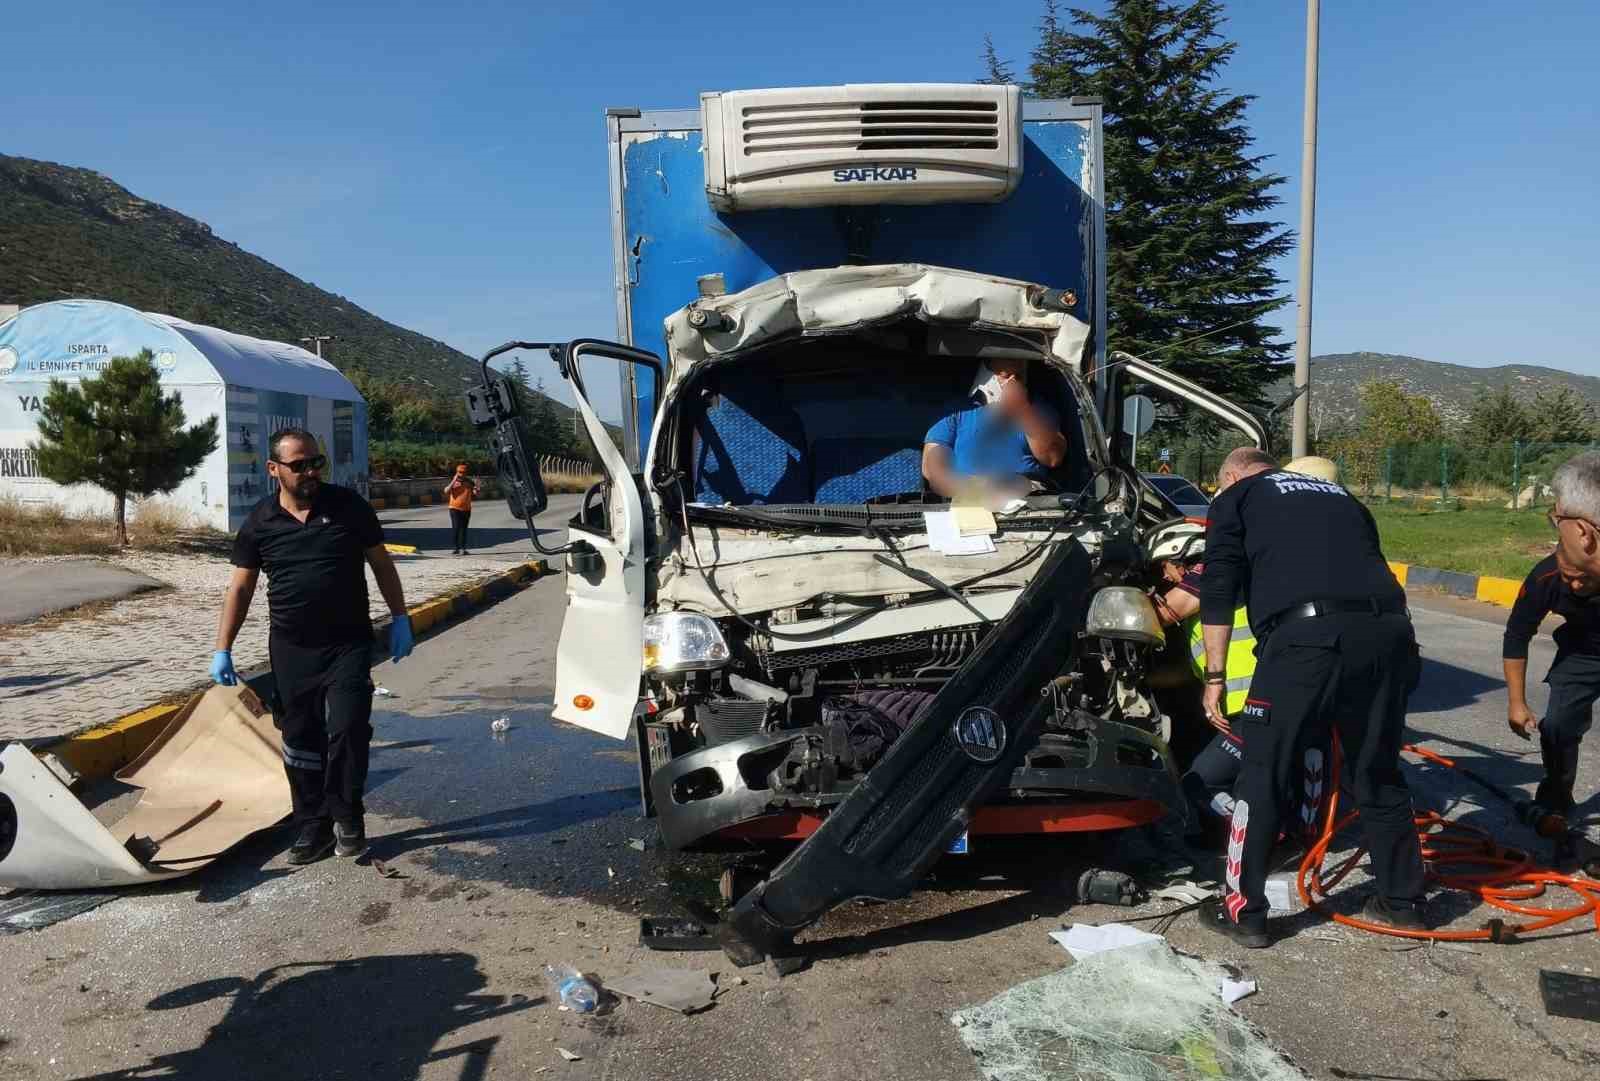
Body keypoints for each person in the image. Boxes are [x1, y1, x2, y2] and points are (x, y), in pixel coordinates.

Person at [1197, 447, 1426, 947]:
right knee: (1377, 770)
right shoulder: (1341, 496)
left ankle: (1245, 913)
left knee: (1262, 773)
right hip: (1389, 635)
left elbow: (1218, 589)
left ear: (1232, 476)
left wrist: (1215, 676)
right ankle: (1404, 903)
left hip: (1306, 639)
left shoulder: (1235, 497)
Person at [210, 428, 416, 865]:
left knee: (347, 729)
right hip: (291, 649)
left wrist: (400, 617)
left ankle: (348, 817)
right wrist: (222, 647)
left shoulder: (348, 508)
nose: (310, 472)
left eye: (315, 462)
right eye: (298, 464)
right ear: (274, 470)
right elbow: (240, 589)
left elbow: (381, 564)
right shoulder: (260, 523)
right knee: (300, 738)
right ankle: (312, 825)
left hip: (348, 644)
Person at [1504, 452, 1600, 861]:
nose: (1576, 584)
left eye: (1554, 517)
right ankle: (1556, 803)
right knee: (1558, 726)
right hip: (1582, 655)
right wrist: (1516, 700)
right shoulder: (1545, 577)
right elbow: (1517, 634)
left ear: (1583, 532)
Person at [922, 359, 1067, 499]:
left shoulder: (1039, 410)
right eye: (1005, 376)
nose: (1012, 382)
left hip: (1028, 495)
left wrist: (1024, 409)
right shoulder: (955, 411)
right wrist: (970, 488)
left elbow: (1052, 457)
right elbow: (932, 468)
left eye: (1019, 376)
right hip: (969, 495)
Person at [445, 464, 478, 555]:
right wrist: (454, 481)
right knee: (456, 528)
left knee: (464, 529)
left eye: (463, 472)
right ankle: (456, 548)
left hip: (466, 509)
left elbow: (473, 495)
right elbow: (446, 491)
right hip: (454, 508)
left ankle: (463, 548)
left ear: (466, 473)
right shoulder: (453, 482)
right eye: (460, 472)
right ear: (457, 472)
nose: (461, 474)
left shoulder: (470, 482)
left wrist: (476, 490)